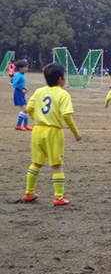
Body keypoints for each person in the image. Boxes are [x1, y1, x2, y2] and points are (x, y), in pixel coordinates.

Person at [23, 63, 82, 206]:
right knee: (57, 165)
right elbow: (67, 116)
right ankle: (59, 197)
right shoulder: (63, 94)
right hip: (53, 132)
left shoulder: (38, 91)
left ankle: (29, 193)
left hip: (37, 130)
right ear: (61, 79)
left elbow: (28, 109)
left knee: (36, 163)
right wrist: (76, 133)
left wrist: (37, 118)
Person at [12, 59, 32, 131]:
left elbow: (20, 84)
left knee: (26, 109)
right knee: (25, 109)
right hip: (18, 94)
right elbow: (14, 85)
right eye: (25, 67)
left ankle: (26, 125)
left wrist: (24, 88)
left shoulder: (23, 75)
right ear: (20, 68)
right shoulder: (18, 75)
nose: (27, 69)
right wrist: (21, 90)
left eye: (27, 67)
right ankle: (18, 125)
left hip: (21, 93)